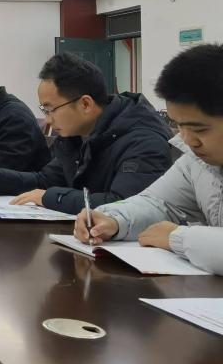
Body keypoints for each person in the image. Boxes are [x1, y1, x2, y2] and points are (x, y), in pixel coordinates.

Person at [76, 44, 223, 275]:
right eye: (178, 125)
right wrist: (113, 220)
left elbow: (172, 232)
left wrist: (177, 238)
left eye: (199, 129)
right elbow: (159, 203)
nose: (188, 140)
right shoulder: (197, 162)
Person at [0, 53, 172, 210]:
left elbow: (124, 205)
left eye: (51, 109)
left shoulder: (143, 139)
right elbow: (46, 180)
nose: (48, 119)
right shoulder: (76, 135)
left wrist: (49, 198)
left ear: (85, 104)